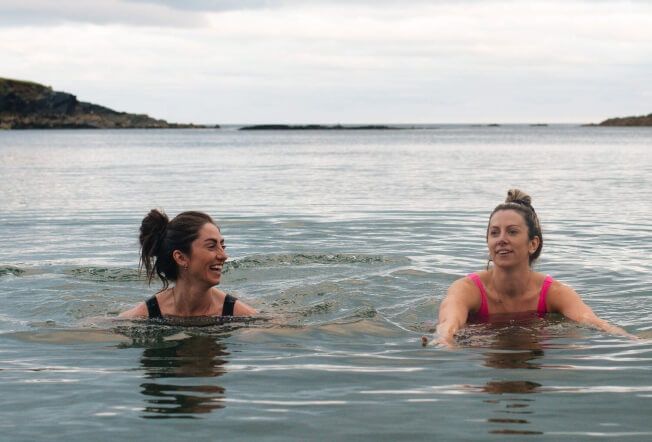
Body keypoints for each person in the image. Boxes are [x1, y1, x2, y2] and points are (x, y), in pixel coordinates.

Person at [424, 189, 635, 346]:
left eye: (512, 232)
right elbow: (449, 320)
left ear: (533, 244)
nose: (501, 240)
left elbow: (591, 321)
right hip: (482, 344)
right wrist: (445, 339)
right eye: (494, 233)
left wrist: (632, 341)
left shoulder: (554, 292)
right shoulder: (467, 288)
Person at [120, 209, 257, 319]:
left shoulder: (240, 314)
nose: (224, 256)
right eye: (211, 246)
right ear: (181, 258)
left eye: (222, 246)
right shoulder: (144, 315)